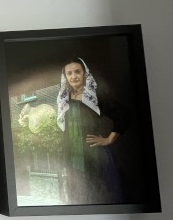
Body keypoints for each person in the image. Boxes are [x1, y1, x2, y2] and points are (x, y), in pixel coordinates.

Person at [56, 58, 130, 205]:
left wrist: (108, 139)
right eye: (69, 73)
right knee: (76, 195)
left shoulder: (95, 96)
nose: (73, 76)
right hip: (72, 155)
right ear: (65, 76)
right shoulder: (63, 98)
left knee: (96, 193)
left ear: (84, 73)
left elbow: (124, 115)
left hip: (94, 156)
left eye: (77, 71)